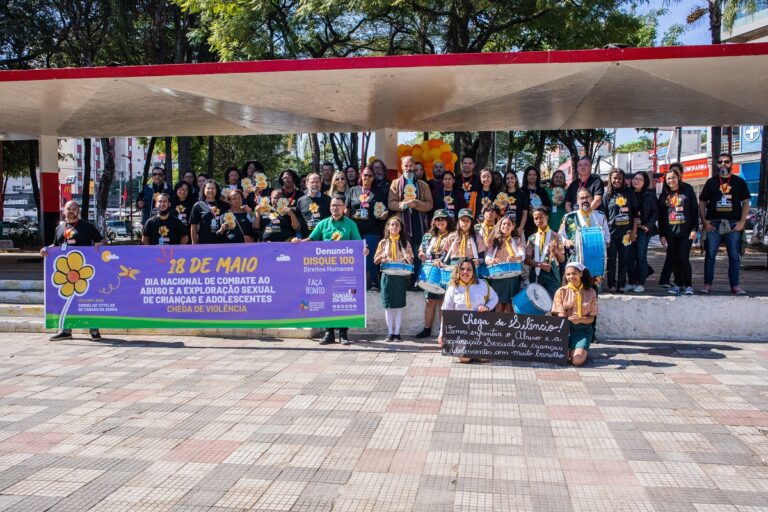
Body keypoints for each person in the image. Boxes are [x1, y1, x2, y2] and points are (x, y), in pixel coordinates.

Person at [294, 195, 363, 346]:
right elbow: (311, 240)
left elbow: (358, 244)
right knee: (327, 300)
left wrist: (365, 250)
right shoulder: (323, 224)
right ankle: (329, 333)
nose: (335, 208)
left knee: (344, 301)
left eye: (338, 205)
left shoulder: (350, 224)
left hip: (345, 270)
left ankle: (343, 334)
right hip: (326, 269)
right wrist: (299, 242)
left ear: (344, 208)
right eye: (333, 205)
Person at [40, 200, 104, 341]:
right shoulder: (59, 228)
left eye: (74, 208)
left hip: (84, 272)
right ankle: (66, 330)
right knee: (65, 301)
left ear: (78, 211)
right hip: (65, 273)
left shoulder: (87, 226)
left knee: (88, 301)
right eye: (69, 208)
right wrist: (46, 249)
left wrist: (100, 245)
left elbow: (101, 240)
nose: (71, 211)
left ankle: (94, 329)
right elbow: (56, 245)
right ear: (64, 211)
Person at [698, 152, 751, 295]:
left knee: (734, 256)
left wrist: (742, 222)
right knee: (710, 256)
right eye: (720, 162)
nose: (723, 164)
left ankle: (735, 285)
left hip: (734, 224)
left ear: (731, 164)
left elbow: (746, 202)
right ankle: (707, 284)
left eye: (726, 162)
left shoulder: (739, 182)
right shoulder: (711, 182)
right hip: (713, 223)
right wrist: (704, 221)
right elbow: (702, 202)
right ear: (716, 165)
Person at [438, 258, 499, 364]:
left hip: (480, 329)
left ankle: (477, 350)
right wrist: (442, 333)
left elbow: (495, 298)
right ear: (458, 270)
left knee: (484, 359)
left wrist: (487, 307)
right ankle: (469, 351)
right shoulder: (452, 288)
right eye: (462, 269)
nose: (465, 272)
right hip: (460, 330)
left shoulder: (482, 284)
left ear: (473, 271)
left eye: (469, 269)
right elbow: (446, 311)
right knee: (465, 359)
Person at [388, 156, 433, 289]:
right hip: (402, 224)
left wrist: (417, 205)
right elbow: (391, 204)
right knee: (403, 253)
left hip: (418, 224)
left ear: (414, 167)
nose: (408, 168)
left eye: (410, 165)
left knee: (418, 252)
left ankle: (418, 282)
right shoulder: (395, 183)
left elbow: (430, 204)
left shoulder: (423, 185)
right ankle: (403, 283)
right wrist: (405, 205)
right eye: (405, 166)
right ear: (401, 167)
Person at [659, 168, 699, 295]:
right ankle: (678, 284)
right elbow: (661, 217)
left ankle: (688, 285)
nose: (671, 180)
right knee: (674, 259)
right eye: (668, 178)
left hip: (685, 232)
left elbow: (694, 211)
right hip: (670, 233)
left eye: (673, 178)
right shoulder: (664, 194)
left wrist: (694, 229)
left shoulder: (687, 190)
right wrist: (662, 235)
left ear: (679, 178)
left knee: (683, 258)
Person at [346, 167, 388, 289]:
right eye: (365, 175)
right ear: (361, 176)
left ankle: (374, 281)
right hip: (355, 229)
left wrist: (384, 215)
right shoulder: (353, 190)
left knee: (370, 255)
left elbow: (383, 210)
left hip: (372, 229)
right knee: (355, 256)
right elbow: (347, 209)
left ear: (373, 178)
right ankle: (355, 282)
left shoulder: (378, 192)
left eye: (370, 176)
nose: (367, 178)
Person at [559, 188, 610, 288]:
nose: (584, 200)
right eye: (581, 198)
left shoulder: (600, 216)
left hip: (595, 259)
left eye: (587, 197)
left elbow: (607, 237)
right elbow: (560, 236)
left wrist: (602, 244)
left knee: (593, 290)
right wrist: (566, 241)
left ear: (591, 199)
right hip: (575, 258)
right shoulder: (569, 217)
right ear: (577, 201)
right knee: (574, 289)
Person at [374, 217, 414, 342]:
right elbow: (375, 260)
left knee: (398, 306)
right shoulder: (383, 243)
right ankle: (390, 333)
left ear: (400, 228)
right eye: (392, 225)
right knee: (388, 306)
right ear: (388, 227)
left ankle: (397, 333)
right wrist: (382, 256)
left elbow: (411, 261)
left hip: (400, 277)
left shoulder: (405, 243)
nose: (394, 227)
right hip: (387, 276)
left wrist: (408, 257)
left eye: (397, 225)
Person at [415, 209, 453, 339]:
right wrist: (422, 255)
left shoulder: (452, 236)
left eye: (443, 219)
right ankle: (427, 329)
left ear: (447, 221)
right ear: (434, 221)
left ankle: (443, 331)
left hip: (445, 271)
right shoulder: (428, 235)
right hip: (430, 271)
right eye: (437, 219)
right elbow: (421, 251)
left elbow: (452, 254)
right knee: (430, 301)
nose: (440, 222)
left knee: (443, 302)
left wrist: (441, 261)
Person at [551, 262, 598, 367]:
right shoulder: (561, 292)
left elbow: (591, 319)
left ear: (581, 274)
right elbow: (560, 316)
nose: (571, 277)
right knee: (560, 357)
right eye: (568, 274)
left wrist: (580, 319)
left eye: (574, 273)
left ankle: (577, 350)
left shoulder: (591, 292)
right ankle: (572, 351)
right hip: (565, 330)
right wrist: (567, 319)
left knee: (577, 361)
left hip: (583, 330)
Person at [603, 169, 639, 293]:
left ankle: (621, 284)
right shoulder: (607, 194)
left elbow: (635, 213)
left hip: (626, 234)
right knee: (611, 260)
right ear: (610, 179)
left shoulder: (629, 193)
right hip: (611, 234)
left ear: (623, 179)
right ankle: (612, 284)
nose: (617, 180)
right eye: (614, 178)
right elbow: (604, 215)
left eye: (619, 178)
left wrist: (634, 231)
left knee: (624, 259)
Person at [485, 215, 524, 312]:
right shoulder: (494, 241)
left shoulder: (517, 240)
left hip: (513, 275)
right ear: (500, 225)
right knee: (498, 304)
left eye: (509, 224)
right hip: (498, 274)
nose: (506, 226)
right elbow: (488, 257)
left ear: (513, 226)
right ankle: (498, 326)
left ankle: (508, 326)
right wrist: (492, 261)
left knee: (510, 305)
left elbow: (522, 254)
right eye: (503, 224)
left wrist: (516, 258)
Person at [627, 171, 658, 293]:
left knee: (640, 255)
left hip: (643, 230)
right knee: (629, 256)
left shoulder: (650, 195)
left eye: (640, 179)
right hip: (629, 229)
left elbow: (656, 212)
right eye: (635, 178)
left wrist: (648, 225)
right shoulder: (627, 194)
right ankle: (632, 281)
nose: (636, 181)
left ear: (645, 182)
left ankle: (641, 283)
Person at [524, 207, 565, 298]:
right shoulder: (531, 238)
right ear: (534, 221)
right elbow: (526, 260)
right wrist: (540, 265)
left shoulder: (557, 236)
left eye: (541, 217)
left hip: (552, 272)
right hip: (536, 272)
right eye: (536, 218)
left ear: (546, 217)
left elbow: (562, 259)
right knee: (538, 302)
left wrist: (555, 251)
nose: (539, 220)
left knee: (554, 302)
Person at [190, 180, 230, 244]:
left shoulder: (224, 205)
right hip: (204, 242)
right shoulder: (198, 205)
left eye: (213, 188)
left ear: (217, 190)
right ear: (204, 190)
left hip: (222, 242)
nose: (211, 190)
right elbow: (193, 226)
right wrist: (194, 243)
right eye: (208, 188)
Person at [296, 173, 331, 238]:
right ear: (307, 184)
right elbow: (298, 220)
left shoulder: (328, 200)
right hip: (306, 239)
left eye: (317, 182)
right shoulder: (300, 200)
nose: (315, 184)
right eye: (312, 182)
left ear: (320, 184)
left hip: (324, 239)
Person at [522, 166, 552, 239]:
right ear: (526, 176)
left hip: (540, 223)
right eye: (529, 174)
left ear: (537, 176)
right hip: (526, 225)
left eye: (534, 174)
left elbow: (549, 207)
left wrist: (541, 207)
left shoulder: (542, 191)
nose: (532, 176)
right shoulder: (521, 191)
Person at [500, 170, 528, 239]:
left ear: (515, 179)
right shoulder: (502, 195)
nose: (510, 180)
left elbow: (525, 213)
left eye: (512, 178)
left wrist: (520, 228)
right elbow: (499, 214)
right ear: (505, 181)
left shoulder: (522, 194)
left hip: (518, 229)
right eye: (507, 178)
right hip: (505, 229)